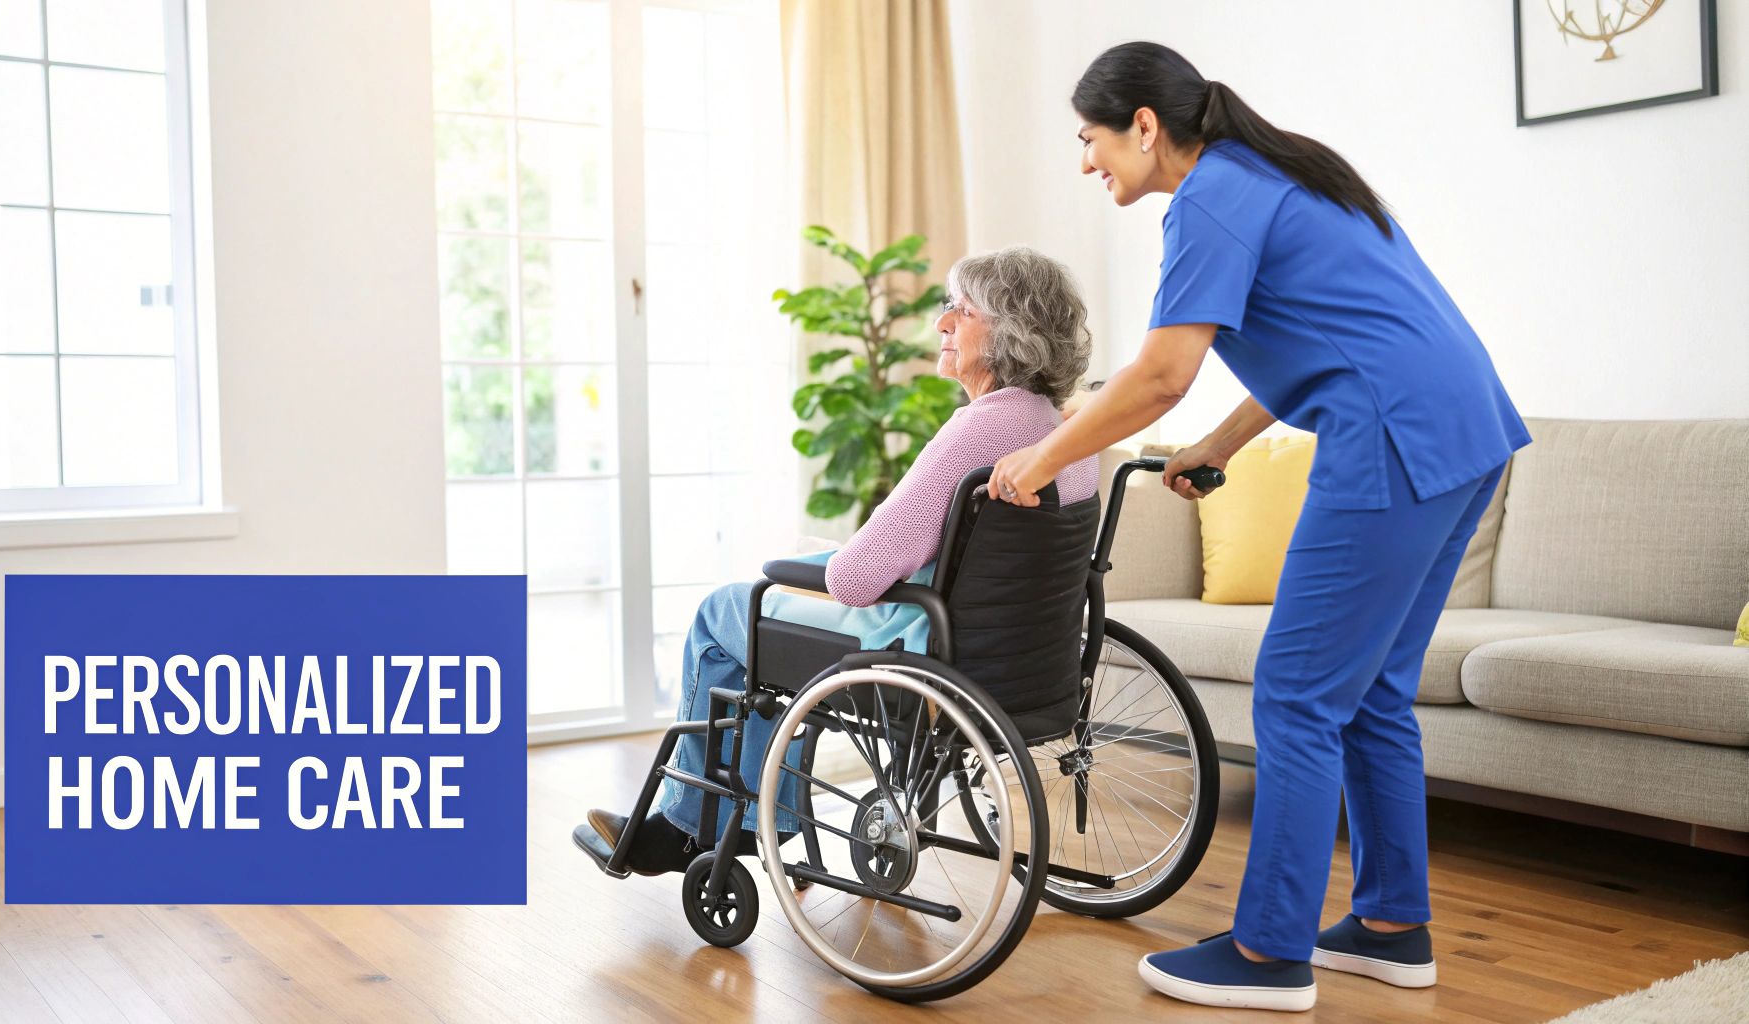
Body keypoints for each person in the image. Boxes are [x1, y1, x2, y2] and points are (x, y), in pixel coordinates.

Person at [988, 42, 1531, 1013]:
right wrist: (1223, 441)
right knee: (1366, 693)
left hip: (1392, 438)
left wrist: (1036, 457)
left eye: (1089, 139)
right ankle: (1389, 926)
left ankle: (1269, 950)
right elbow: (1325, 343)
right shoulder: (1272, 174)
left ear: (1143, 126)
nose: (1084, 161)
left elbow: (1158, 371)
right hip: (1466, 430)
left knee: (1293, 693)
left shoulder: (1210, 201)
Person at [579, 246, 1101, 875]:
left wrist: (821, 564)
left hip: (923, 649)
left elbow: (854, 579)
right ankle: (754, 818)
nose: (941, 324)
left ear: (1009, 332)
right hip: (1024, 663)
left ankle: (690, 825)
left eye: (960, 312)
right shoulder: (1069, 438)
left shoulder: (978, 432)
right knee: (785, 590)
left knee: (727, 609)